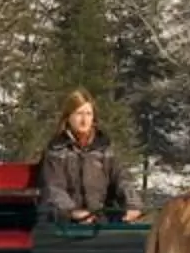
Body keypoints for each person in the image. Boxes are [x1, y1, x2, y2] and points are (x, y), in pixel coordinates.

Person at [36, 89, 143, 226]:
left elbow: (121, 178)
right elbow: (53, 188)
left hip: (100, 220)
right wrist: (73, 212)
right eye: (79, 114)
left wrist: (132, 203)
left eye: (88, 114)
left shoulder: (104, 148)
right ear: (68, 117)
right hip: (63, 222)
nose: (84, 120)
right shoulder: (56, 151)